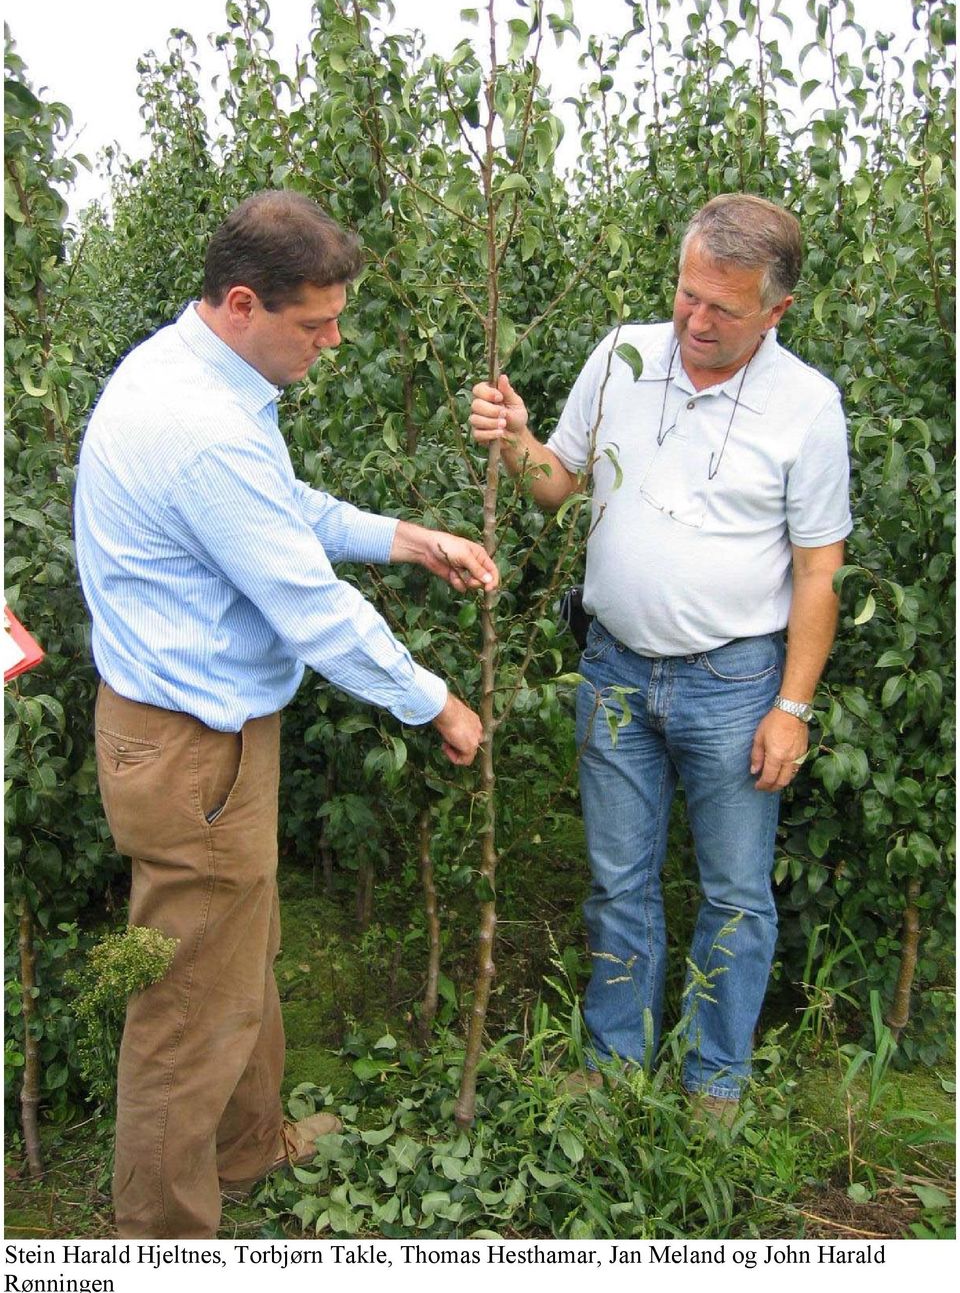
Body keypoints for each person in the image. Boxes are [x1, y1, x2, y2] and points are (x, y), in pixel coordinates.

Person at [75, 191, 498, 1237]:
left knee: (234, 956)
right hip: (189, 749)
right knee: (185, 1000)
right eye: (314, 324)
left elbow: (285, 508)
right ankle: (163, 1235)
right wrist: (434, 699)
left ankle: (247, 1143)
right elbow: (310, 607)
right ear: (240, 302)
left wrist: (404, 535)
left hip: (202, 733)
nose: (333, 341)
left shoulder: (194, 377)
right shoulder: (200, 425)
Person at [470, 194, 850, 1120]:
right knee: (619, 880)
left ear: (777, 310)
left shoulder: (807, 406)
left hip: (736, 681)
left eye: (724, 307)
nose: (695, 321)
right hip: (613, 671)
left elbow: (817, 570)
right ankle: (613, 1068)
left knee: (733, 892)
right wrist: (513, 437)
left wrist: (791, 709)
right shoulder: (623, 357)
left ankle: (715, 1082)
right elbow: (556, 487)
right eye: (687, 295)